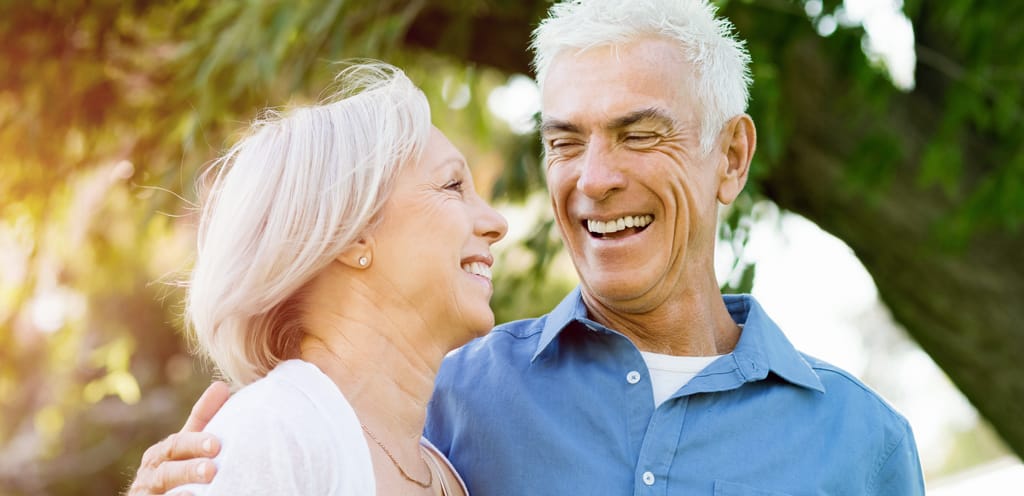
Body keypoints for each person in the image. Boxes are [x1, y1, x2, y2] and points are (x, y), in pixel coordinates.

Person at [130, 1, 926, 494]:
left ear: (731, 158)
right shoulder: (444, 404)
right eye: (565, 141)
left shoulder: (863, 446)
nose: (595, 178)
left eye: (638, 133)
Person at [139, 62, 507, 495]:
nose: (496, 222)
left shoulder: (445, 473)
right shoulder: (274, 434)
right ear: (353, 236)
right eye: (451, 186)